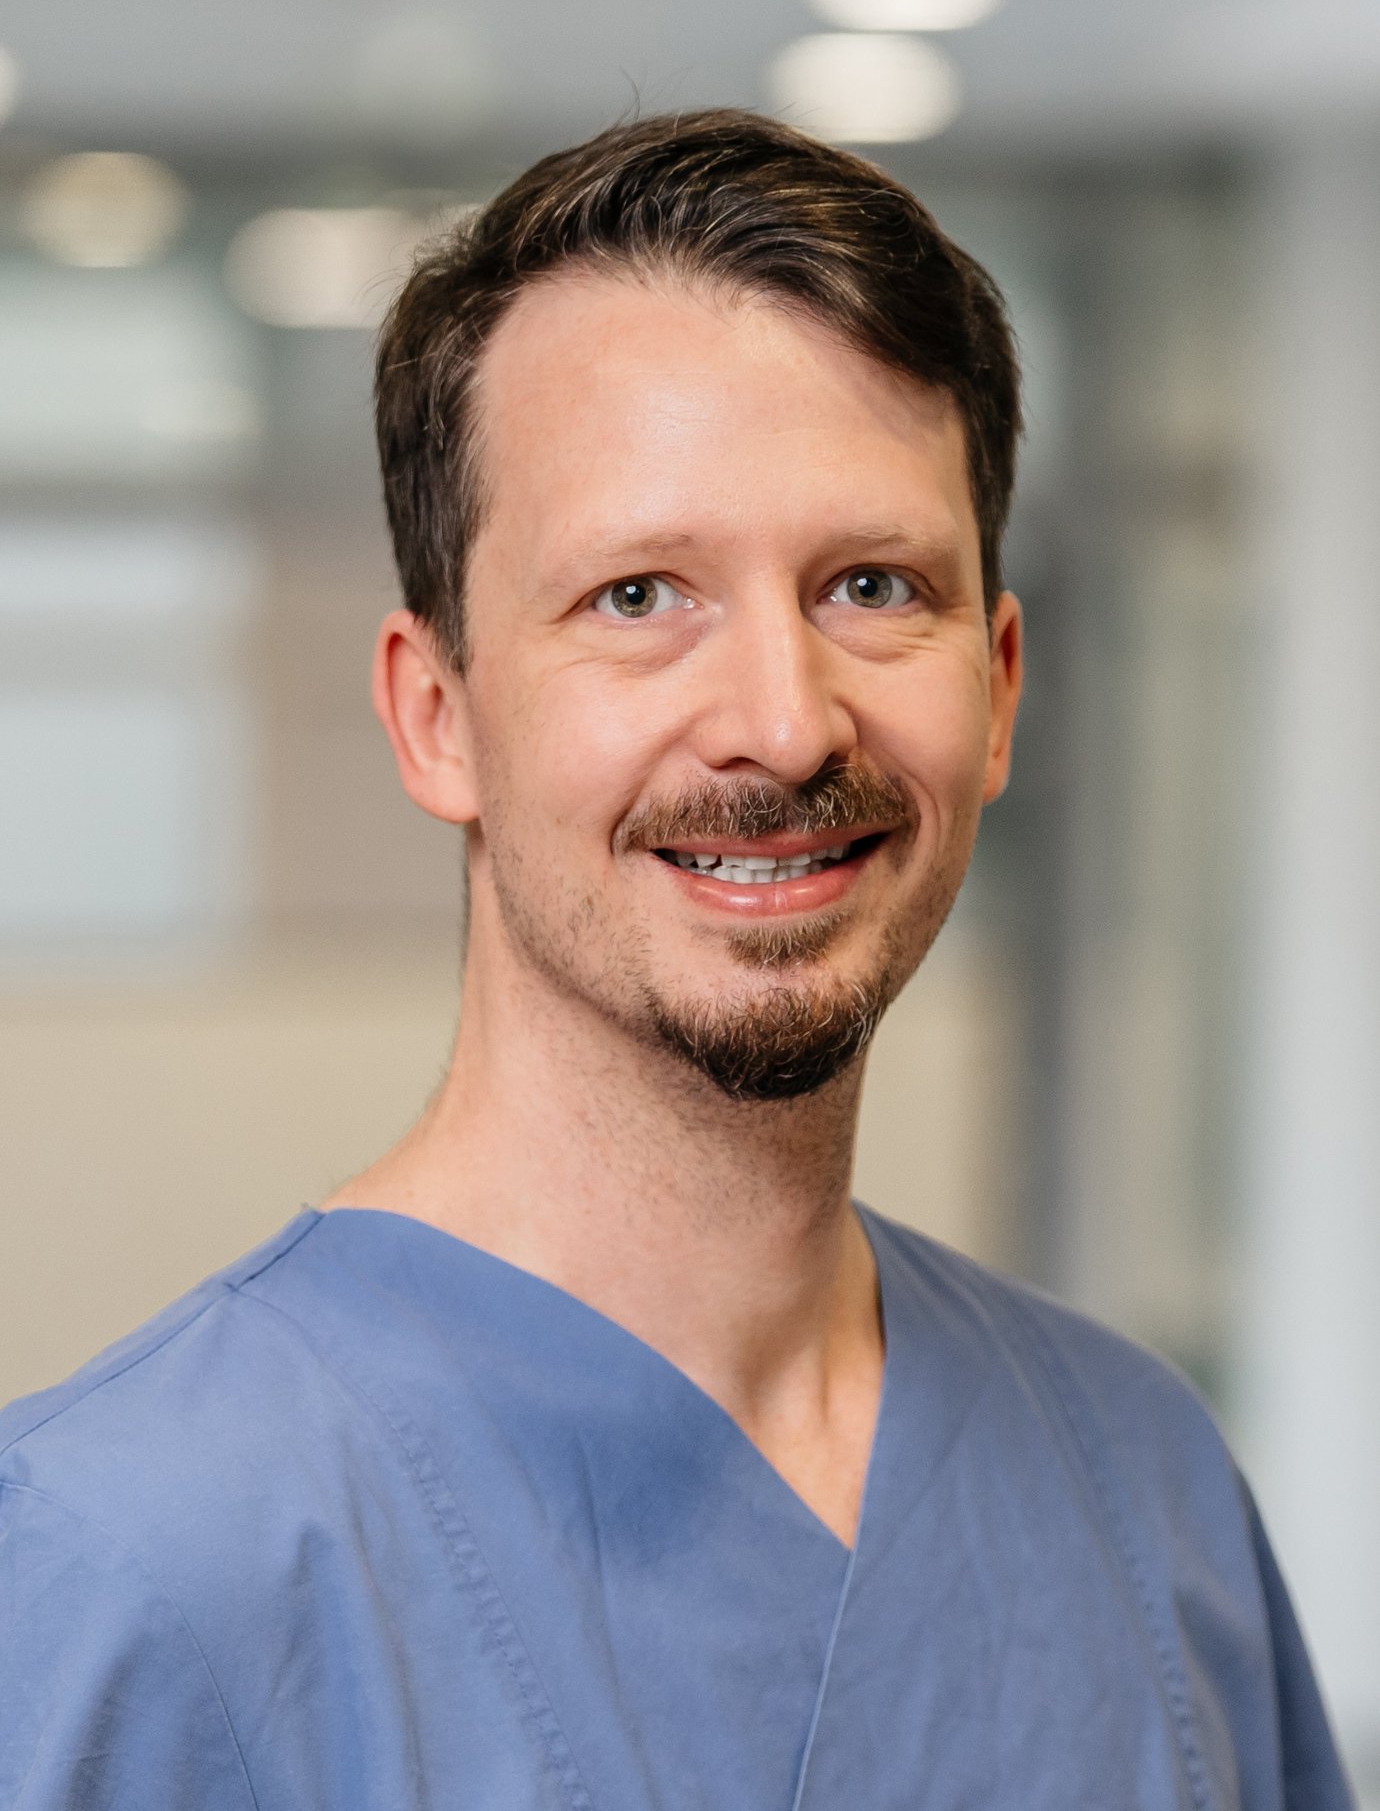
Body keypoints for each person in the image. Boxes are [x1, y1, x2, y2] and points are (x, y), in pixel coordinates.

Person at [0, 110, 1352, 1811]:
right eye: (640, 596)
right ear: (437, 713)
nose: (784, 722)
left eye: (874, 586)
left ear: (1001, 686)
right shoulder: (126, 1569)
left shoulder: (1146, 1499)